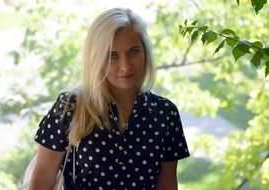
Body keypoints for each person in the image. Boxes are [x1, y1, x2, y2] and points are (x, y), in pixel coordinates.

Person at [29, 7, 190, 190]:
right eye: (112, 56)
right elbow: (41, 182)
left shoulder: (165, 113)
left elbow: (167, 185)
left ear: (145, 52)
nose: (125, 65)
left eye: (133, 52)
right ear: (95, 58)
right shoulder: (71, 107)